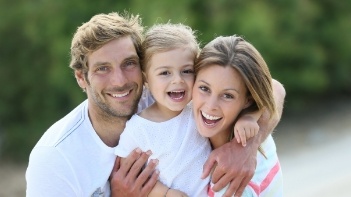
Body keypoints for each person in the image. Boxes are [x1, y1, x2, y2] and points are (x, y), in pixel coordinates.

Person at [26, 11, 285, 197]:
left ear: (143, 71)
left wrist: (247, 147)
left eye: (128, 64)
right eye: (103, 69)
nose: (120, 81)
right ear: (82, 78)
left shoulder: (165, 96)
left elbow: (271, 88)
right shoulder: (54, 158)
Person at [114, 23, 262, 197]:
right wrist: (166, 193)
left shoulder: (199, 107)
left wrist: (250, 118)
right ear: (146, 78)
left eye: (186, 71)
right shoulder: (137, 129)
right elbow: (129, 176)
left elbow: (262, 99)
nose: (178, 80)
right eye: (165, 73)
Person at [192, 35, 284, 196]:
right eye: (204, 88)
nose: (211, 106)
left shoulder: (232, 180)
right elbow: (274, 88)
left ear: (247, 101)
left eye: (227, 95)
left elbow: (274, 89)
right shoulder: (253, 127)